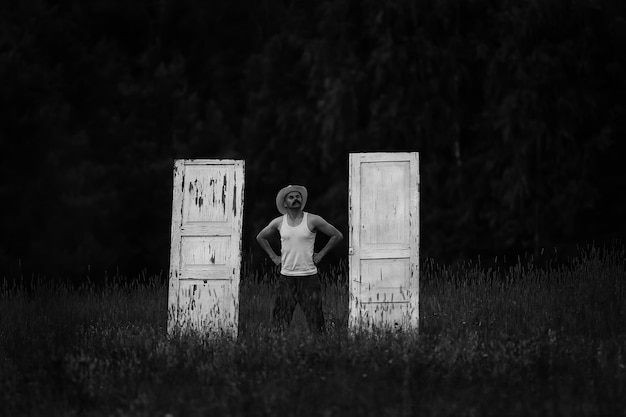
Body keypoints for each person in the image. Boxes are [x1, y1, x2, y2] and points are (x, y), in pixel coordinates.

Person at [256, 184, 343, 333]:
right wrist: (274, 257)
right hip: (286, 277)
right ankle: (278, 351)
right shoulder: (279, 222)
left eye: (298, 197)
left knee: (316, 320)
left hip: (309, 277)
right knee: (280, 321)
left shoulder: (313, 220)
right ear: (285, 203)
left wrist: (321, 254)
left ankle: (320, 351)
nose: (295, 199)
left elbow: (337, 235)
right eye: (291, 197)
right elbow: (261, 237)